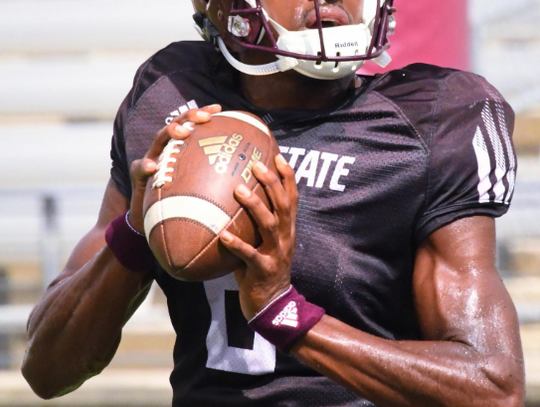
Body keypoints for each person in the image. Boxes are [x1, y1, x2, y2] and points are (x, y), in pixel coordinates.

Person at [22, 0, 525, 405]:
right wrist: (134, 235)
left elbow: (491, 387)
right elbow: (47, 371)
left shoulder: (432, 118)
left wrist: (285, 314)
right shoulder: (171, 97)